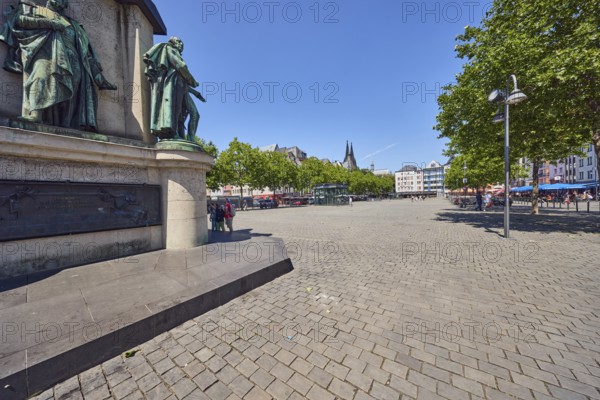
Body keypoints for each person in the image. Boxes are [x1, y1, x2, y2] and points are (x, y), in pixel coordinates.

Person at [0, 0, 117, 129]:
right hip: (45, 52)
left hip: (73, 60)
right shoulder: (36, 9)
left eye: (63, 1)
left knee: (71, 92)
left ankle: (67, 124)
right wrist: (50, 24)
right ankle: (35, 114)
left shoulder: (74, 24)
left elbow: (87, 54)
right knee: (40, 77)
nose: (60, 2)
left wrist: (99, 77)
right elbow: (19, 20)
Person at [144, 37, 201, 140]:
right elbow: (180, 66)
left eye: (182, 42)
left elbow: (183, 77)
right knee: (176, 111)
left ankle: (191, 140)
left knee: (195, 114)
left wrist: (195, 93)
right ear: (173, 42)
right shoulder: (169, 48)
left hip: (182, 86)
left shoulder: (176, 52)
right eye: (178, 42)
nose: (181, 44)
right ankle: (174, 134)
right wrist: (193, 81)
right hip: (173, 85)